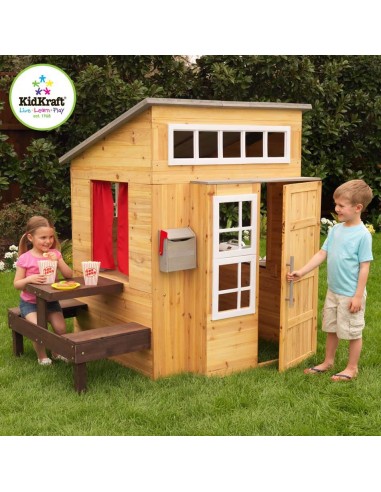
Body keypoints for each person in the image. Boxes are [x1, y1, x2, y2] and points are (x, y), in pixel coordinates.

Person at [287, 179, 373, 381]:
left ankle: (352, 368)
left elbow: (364, 266)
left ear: (358, 208)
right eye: (336, 204)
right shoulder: (335, 230)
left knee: (352, 332)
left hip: (351, 294)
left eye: (341, 206)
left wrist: (358, 296)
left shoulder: (362, 236)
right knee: (331, 328)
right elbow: (321, 253)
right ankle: (328, 362)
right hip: (333, 291)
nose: (336, 209)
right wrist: (302, 271)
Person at [14, 215, 74, 366]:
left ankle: (56, 351)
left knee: (61, 328)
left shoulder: (55, 255)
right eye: (43, 237)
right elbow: (17, 284)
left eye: (51, 237)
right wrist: (29, 279)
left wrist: (59, 261)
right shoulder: (25, 258)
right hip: (30, 303)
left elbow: (69, 275)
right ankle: (42, 356)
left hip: (50, 301)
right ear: (30, 237)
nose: (48, 241)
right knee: (38, 328)